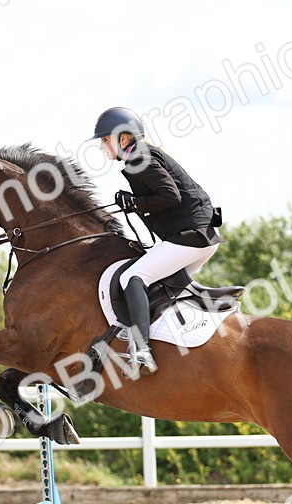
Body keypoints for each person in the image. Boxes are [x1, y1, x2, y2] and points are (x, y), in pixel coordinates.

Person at [92, 106, 222, 376]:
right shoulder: (140, 156)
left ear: (123, 138)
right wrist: (134, 202)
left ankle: (141, 349)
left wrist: (135, 203)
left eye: (105, 140)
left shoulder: (138, 158)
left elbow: (170, 196)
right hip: (200, 236)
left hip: (191, 236)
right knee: (157, 286)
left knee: (132, 277)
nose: (102, 147)